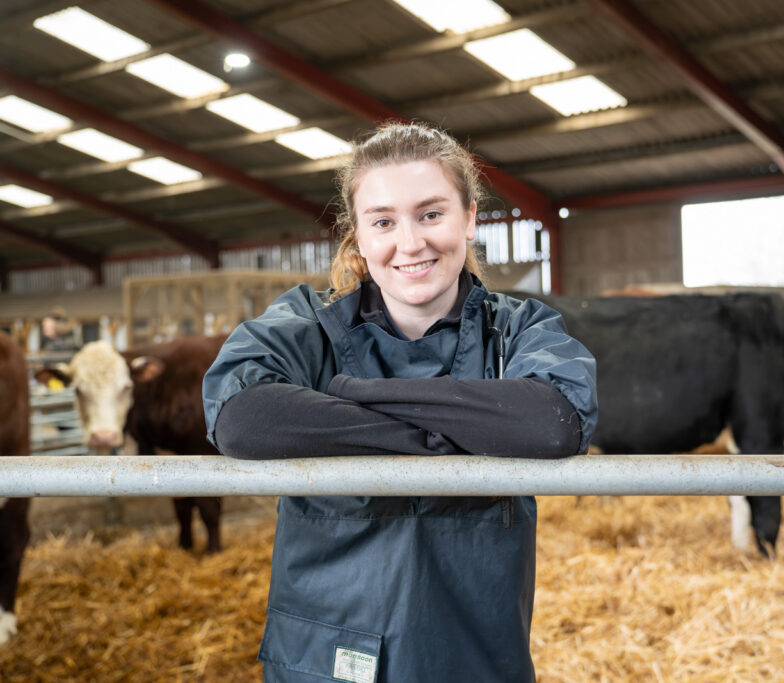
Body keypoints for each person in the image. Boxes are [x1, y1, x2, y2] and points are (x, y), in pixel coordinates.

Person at [202, 121, 598, 682]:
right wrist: (451, 437)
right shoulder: (305, 327)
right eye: (383, 221)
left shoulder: (518, 329)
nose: (410, 243)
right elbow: (241, 418)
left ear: (469, 217)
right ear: (358, 236)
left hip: (470, 652)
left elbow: (556, 421)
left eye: (431, 214)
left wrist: (351, 396)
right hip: (327, 656)